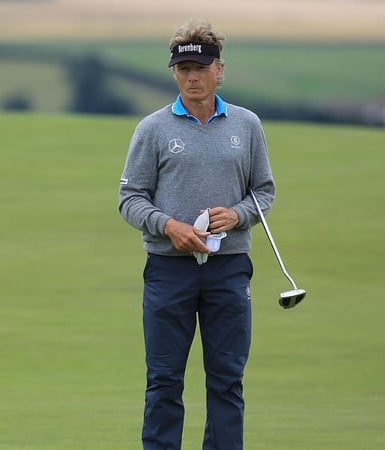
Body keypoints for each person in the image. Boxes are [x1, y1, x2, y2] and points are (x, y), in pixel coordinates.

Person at [117, 18, 275, 450]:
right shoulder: (153, 129)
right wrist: (168, 225)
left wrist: (238, 215)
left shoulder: (246, 126)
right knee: (164, 381)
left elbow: (263, 192)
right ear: (174, 72)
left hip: (229, 270)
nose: (192, 77)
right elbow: (130, 198)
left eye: (201, 68)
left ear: (219, 70)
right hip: (169, 270)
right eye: (183, 69)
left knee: (227, 381)